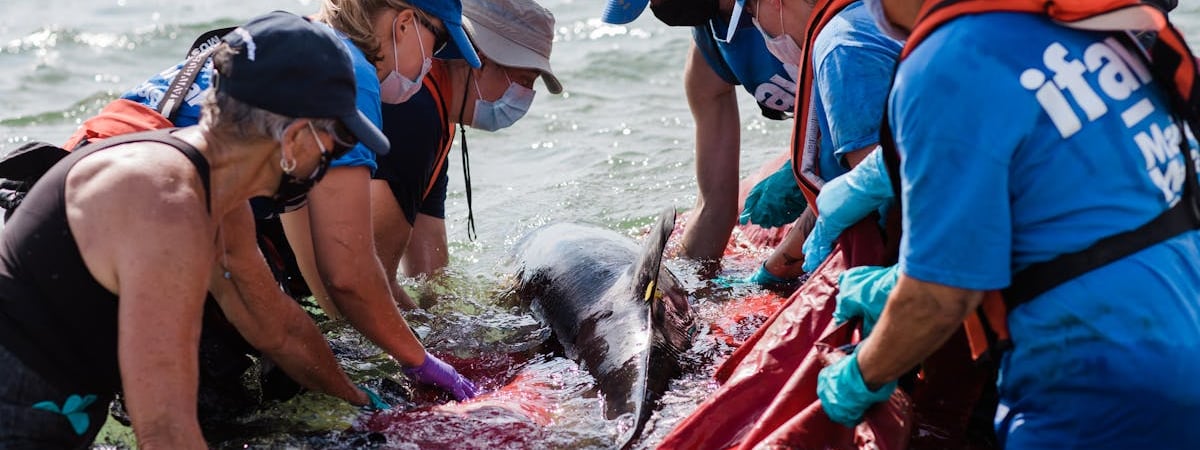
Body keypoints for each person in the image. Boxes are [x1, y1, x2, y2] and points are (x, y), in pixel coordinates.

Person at [816, 1, 1200, 448]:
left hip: (1096, 381)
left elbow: (940, 297)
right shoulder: (1085, 21)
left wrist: (859, 376)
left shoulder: (947, 63)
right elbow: (1091, 209)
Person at [0, 12, 389, 447]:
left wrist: (365, 405)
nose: (335, 156)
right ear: (296, 137)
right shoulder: (168, 207)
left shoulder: (216, 193)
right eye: (340, 140)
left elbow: (278, 328)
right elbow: (165, 430)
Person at [86, 0, 482, 404]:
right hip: (147, 219)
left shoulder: (283, 41)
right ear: (404, 24)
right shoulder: (347, 74)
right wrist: (420, 360)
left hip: (88, 178)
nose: (432, 64)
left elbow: (304, 290)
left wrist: (353, 386)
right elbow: (348, 275)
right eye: (438, 42)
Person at [370, 0, 563, 307]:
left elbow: (430, 274)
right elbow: (369, 282)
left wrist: (454, 319)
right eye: (525, 81)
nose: (526, 96)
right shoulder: (416, 111)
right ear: (480, 60)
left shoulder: (439, 119)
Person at [602, 0, 798, 266]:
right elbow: (714, 205)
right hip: (814, 142)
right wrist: (688, 277)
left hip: (852, 139)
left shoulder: (802, 10)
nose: (655, 6)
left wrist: (812, 165)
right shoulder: (710, 53)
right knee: (748, 219)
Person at [728, 0, 901, 287]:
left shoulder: (840, 49)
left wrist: (777, 269)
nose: (759, 29)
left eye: (751, 14)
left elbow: (880, 194)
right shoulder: (866, 15)